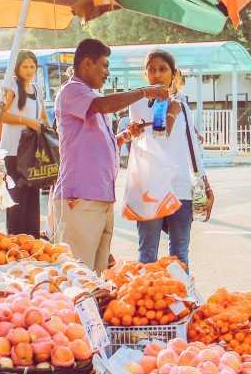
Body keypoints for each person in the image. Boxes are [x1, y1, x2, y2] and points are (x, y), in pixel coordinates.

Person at [48, 39, 169, 273]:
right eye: (103, 65)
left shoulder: (89, 96)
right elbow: (103, 106)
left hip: (100, 196)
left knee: (97, 275)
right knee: (78, 275)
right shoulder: (72, 91)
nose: (107, 72)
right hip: (80, 198)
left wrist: (124, 136)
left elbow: (97, 142)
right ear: (86, 63)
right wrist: (144, 92)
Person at [128, 50, 215, 266]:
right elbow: (157, 136)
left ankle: (180, 298)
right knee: (147, 254)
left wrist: (205, 184)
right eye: (151, 70)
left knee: (179, 255)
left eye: (162, 69)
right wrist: (167, 114)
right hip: (150, 188)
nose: (157, 74)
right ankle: (147, 296)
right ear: (145, 74)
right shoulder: (137, 104)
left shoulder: (182, 105)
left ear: (173, 74)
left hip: (180, 188)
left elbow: (192, 147)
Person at [0, 50, 48, 237]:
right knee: (17, 198)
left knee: (32, 197)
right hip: (13, 152)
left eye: (32, 66)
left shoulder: (36, 89)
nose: (29, 70)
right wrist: (26, 121)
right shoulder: (11, 87)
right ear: (17, 68)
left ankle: (32, 239)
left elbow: (42, 115)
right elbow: (1, 116)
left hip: (33, 152)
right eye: (25, 66)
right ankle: (15, 240)